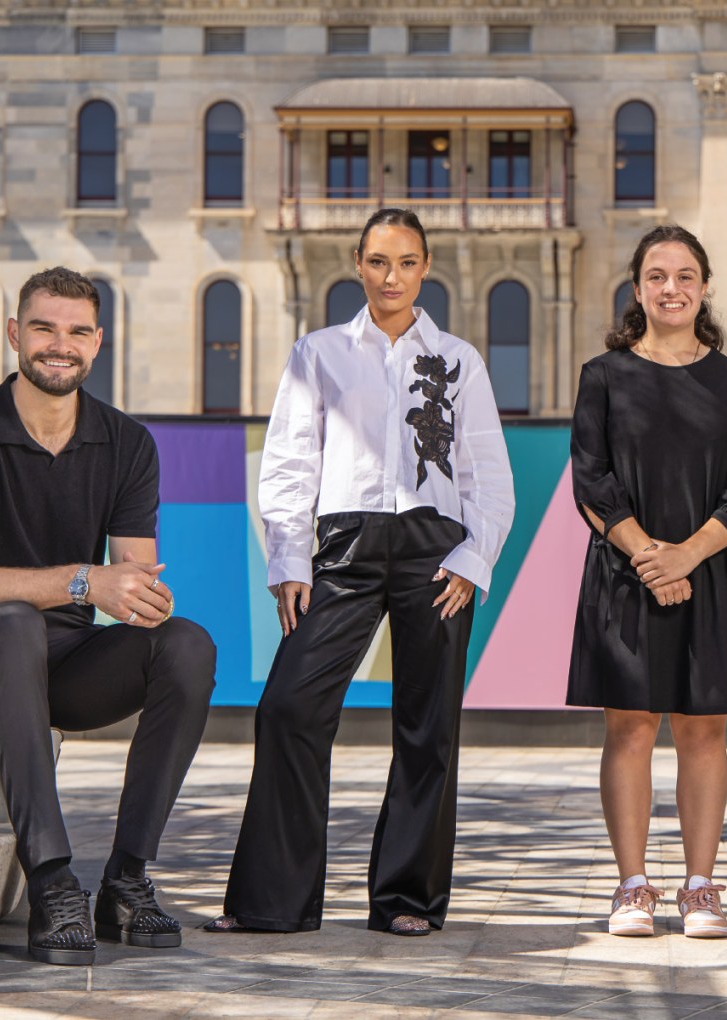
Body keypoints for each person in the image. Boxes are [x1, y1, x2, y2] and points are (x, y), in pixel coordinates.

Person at [207, 208, 514, 938]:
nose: (392, 276)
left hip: (436, 552)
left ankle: (407, 898)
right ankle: (272, 903)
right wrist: (288, 560)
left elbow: (488, 477)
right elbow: (287, 465)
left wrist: (473, 560)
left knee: (428, 726)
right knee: (288, 707)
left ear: (425, 267)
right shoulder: (317, 354)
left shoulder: (460, 360)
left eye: (406, 262)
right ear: (357, 263)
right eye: (379, 261)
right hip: (341, 549)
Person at [0, 267, 218, 967]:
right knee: (11, 620)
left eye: (77, 331)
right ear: (16, 334)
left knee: (188, 646)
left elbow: (132, 582)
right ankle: (52, 880)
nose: (60, 345)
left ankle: (127, 879)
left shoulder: (128, 444)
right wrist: (86, 581)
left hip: (60, 661)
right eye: (44, 328)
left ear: (97, 343)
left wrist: (144, 601)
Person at [568, 224, 727, 940]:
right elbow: (590, 482)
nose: (672, 288)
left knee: (702, 730)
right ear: (637, 290)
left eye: (686, 275)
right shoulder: (604, 377)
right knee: (628, 728)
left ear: (705, 287)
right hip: (625, 578)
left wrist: (686, 556)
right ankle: (631, 887)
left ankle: (699, 886)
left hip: (710, 576)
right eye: (657, 276)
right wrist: (649, 557)